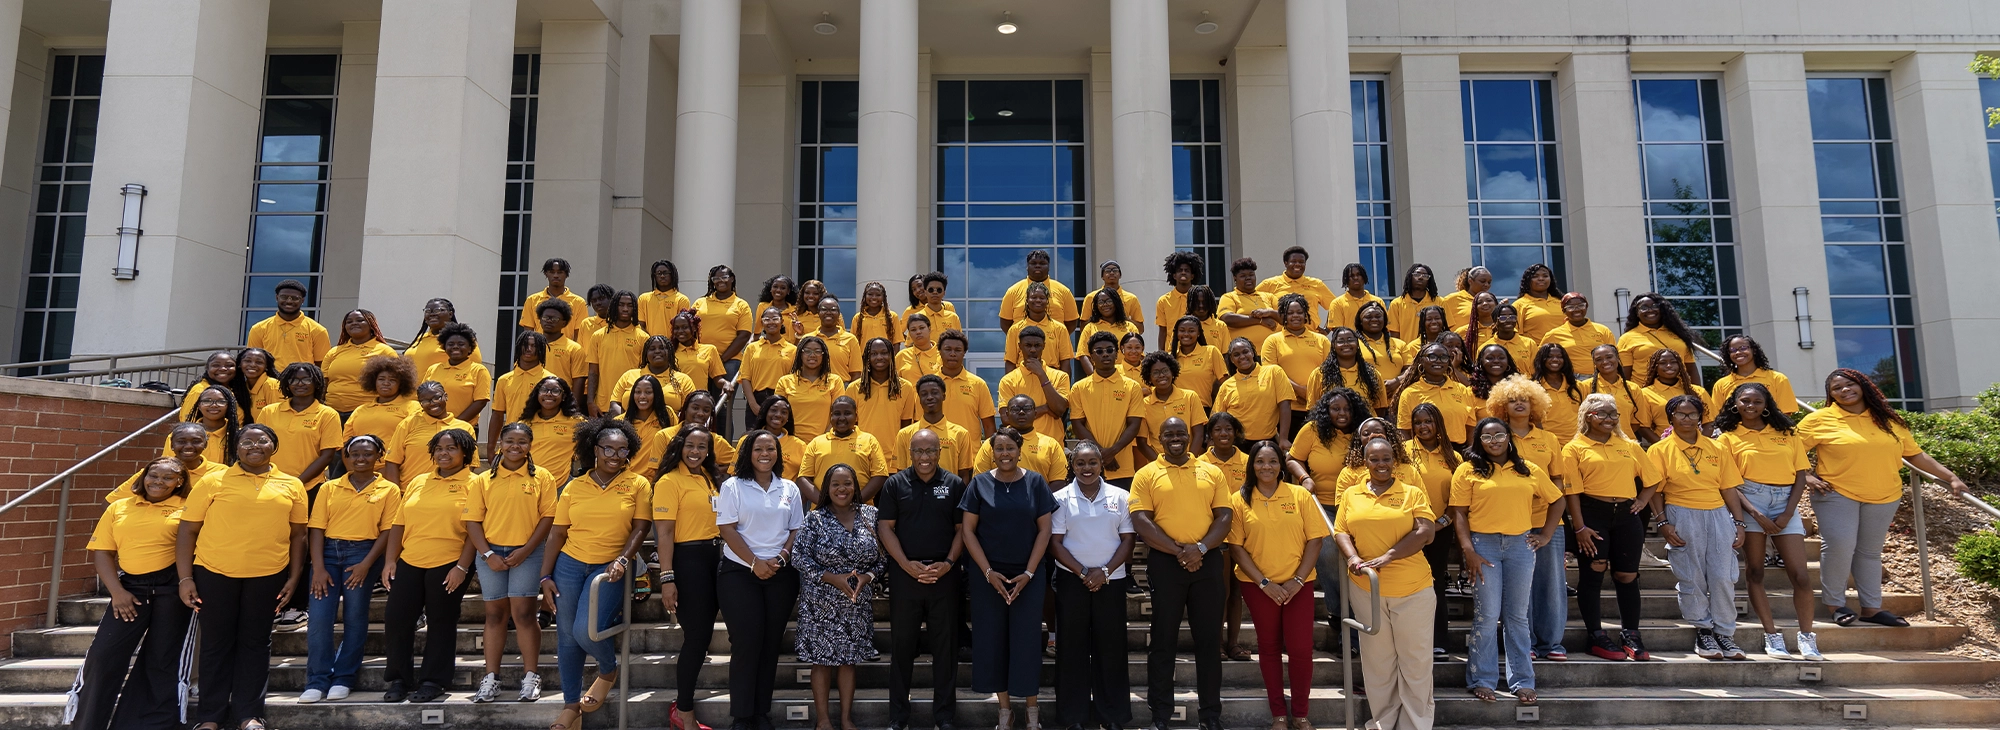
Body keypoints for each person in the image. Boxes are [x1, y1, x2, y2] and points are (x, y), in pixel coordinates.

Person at [1799, 368, 1970, 628]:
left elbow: (1915, 455)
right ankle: (1835, 605)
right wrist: (1806, 476)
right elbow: (1791, 451)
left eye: (1850, 384)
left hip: (1885, 494)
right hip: (1836, 492)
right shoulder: (1819, 419)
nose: (1845, 390)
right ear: (1830, 394)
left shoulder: (1888, 419)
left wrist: (1951, 477)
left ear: (1863, 385)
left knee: (1869, 553)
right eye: (1837, 388)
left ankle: (1871, 608)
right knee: (1839, 546)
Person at [176, 424, 310, 730]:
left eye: (262, 440)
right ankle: (209, 717)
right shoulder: (213, 480)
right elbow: (188, 529)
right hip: (214, 572)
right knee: (215, 644)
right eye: (247, 441)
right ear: (236, 448)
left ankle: (249, 714)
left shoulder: (292, 484)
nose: (255, 446)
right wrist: (185, 578)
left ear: (274, 446)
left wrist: (294, 577)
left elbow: (298, 535)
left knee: (256, 643)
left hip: (268, 575)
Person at [69, 458, 197, 730]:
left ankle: (145, 725)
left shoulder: (188, 507)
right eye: (153, 475)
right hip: (130, 588)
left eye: (168, 477)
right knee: (103, 654)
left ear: (180, 482)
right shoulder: (119, 507)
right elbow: (103, 552)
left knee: (161, 659)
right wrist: (117, 592)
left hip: (172, 587)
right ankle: (88, 724)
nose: (158, 482)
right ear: (143, 476)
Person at [542, 419, 653, 730]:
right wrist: (545, 576)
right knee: (567, 637)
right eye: (608, 449)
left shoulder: (638, 483)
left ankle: (607, 669)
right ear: (595, 449)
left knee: (586, 631)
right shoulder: (574, 486)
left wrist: (622, 559)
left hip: (610, 567)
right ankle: (570, 707)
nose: (615, 455)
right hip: (569, 564)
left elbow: (641, 527)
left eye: (622, 450)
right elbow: (557, 533)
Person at [1451, 418, 1563, 704]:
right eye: (1487, 437)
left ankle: (1523, 680)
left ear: (1508, 437)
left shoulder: (1529, 469)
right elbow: (1459, 513)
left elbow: (1557, 500)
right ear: (1479, 441)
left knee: (1517, 616)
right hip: (1483, 545)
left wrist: (1546, 535)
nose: (1494, 441)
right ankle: (1482, 679)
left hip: (1520, 546)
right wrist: (1468, 550)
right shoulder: (1467, 470)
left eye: (1499, 435)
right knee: (1487, 614)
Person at [1130, 418, 1232, 730]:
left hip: (1207, 561)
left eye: (1180, 433)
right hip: (1166, 563)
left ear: (1189, 437)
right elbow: (1141, 520)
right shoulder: (1146, 474)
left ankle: (1210, 716)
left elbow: (1224, 516)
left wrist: (1199, 549)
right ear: (1159, 438)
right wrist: (1181, 552)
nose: (1175, 438)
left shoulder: (1211, 471)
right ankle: (1160, 716)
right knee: (1162, 641)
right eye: (1168, 434)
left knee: (1209, 641)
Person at [1333, 435, 1439, 730]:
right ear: (1365, 462)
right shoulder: (1352, 494)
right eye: (1374, 459)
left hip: (1413, 589)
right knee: (1378, 663)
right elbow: (1341, 531)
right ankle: (1383, 723)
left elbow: (1426, 531)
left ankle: (1415, 725)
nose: (1381, 464)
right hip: (1367, 589)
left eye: (1386, 458)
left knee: (1415, 662)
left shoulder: (1411, 492)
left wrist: (1388, 556)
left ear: (1395, 461)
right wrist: (1353, 557)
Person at [1229, 440, 1333, 730]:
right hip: (1258, 586)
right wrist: (1265, 583)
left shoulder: (1299, 495)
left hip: (1298, 585)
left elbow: (1315, 540)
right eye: (1260, 461)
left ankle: (1300, 714)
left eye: (1273, 461)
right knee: (1269, 648)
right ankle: (1278, 714)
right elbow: (1236, 548)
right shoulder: (1239, 499)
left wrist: (1297, 580)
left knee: (1300, 649)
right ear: (1251, 466)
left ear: (1281, 465)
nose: (1267, 467)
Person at [960, 427, 1058, 730]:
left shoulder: (1036, 482)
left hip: (1028, 575)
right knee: (992, 641)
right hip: (988, 576)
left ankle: (1031, 709)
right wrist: (988, 573)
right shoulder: (978, 484)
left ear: (1019, 450)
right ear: (992, 453)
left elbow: (1045, 529)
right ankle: (1005, 711)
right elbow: (968, 531)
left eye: (1010, 448)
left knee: (1026, 641)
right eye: (999, 449)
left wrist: (1029, 573)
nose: (1005, 454)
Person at [1716, 383, 1822, 660]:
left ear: (1767, 405)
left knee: (1800, 575)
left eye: (1757, 401)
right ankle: (1772, 636)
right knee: (1755, 572)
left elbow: (1800, 474)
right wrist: (1755, 513)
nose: (1750, 406)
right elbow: (1728, 482)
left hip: (1785, 500)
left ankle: (1807, 637)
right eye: (1745, 401)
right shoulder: (1727, 437)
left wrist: (1788, 512)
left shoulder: (1787, 432)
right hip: (1749, 499)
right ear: (1735, 403)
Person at [878, 428, 968, 730]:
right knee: (902, 649)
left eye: (930, 451)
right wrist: (905, 565)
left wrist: (948, 563)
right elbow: (885, 527)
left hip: (945, 577)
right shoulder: (894, 484)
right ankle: (898, 717)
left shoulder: (954, 484)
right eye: (918, 451)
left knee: (945, 650)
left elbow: (962, 530)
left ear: (940, 452)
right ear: (910, 453)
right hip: (906, 577)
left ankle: (944, 717)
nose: (924, 457)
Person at [1562, 393, 1663, 661]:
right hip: (1592, 514)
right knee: (1593, 573)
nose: (1609, 418)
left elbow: (1653, 478)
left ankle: (1631, 634)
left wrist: (1642, 500)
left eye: (1613, 414)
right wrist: (1579, 528)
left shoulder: (1629, 445)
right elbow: (1571, 493)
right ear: (1588, 416)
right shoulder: (1574, 448)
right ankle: (1595, 635)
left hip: (1627, 516)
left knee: (1627, 576)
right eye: (1602, 413)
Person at [716, 430, 806, 730]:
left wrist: (782, 557)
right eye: (758, 449)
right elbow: (727, 529)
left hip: (781, 573)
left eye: (771, 449)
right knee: (746, 641)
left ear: (778, 453)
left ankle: (760, 712)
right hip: (740, 573)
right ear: (747, 453)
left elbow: (796, 529)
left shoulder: (789, 488)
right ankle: (742, 716)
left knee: (770, 643)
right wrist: (754, 563)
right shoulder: (733, 486)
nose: (765, 454)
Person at [1648, 394, 1750, 659]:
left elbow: (1728, 488)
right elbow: (1655, 490)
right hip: (1681, 512)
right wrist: (1663, 522)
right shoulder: (1659, 450)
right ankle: (1703, 630)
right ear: (1671, 417)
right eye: (1681, 414)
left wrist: (1739, 522)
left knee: (1723, 576)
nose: (1687, 419)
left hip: (1717, 514)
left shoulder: (1717, 448)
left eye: (1693, 414)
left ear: (1701, 418)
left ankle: (1725, 633)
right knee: (1691, 575)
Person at [466, 423, 561, 703]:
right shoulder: (483, 479)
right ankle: (490, 678)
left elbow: (548, 518)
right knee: (495, 615)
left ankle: (531, 677)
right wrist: (487, 555)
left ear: (530, 445)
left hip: (528, 553)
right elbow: (472, 521)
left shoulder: (542, 477)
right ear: (500, 443)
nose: (515, 446)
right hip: (490, 553)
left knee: (524, 615)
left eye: (522, 441)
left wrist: (525, 550)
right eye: (509, 441)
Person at [380, 428, 475, 703]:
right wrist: (390, 560)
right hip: (410, 559)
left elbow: (475, 530)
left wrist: (462, 568)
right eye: (439, 448)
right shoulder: (418, 481)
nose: (444, 453)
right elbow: (399, 523)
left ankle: (434, 681)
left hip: (449, 562)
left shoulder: (476, 483)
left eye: (451, 448)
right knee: (397, 619)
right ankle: (399, 679)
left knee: (441, 621)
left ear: (465, 453)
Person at [301, 436, 399, 703]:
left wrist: (367, 564)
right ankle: (317, 680)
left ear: (378, 456)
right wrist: (318, 567)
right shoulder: (330, 487)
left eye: (367, 454)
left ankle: (343, 677)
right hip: (327, 554)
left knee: (355, 617)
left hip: (363, 554)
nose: (360, 459)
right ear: (346, 457)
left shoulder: (389, 489)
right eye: (354, 454)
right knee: (319, 619)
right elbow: (317, 528)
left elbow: (388, 530)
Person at [1049, 441, 1135, 730]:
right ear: (1072, 467)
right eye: (1080, 463)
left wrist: (1105, 572)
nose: (1087, 468)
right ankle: (1072, 717)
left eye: (1092, 462)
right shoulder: (1060, 498)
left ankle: (1111, 715)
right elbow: (1055, 542)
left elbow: (1128, 539)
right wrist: (1084, 572)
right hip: (1072, 581)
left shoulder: (1121, 496)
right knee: (1071, 649)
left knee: (1111, 648)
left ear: (1101, 464)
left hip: (1112, 581)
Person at [794, 464, 885, 730]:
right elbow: (798, 557)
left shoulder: (871, 516)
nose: (841, 489)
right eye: (835, 484)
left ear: (855, 486)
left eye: (847, 483)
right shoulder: (815, 518)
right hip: (820, 601)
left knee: (848, 661)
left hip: (855, 602)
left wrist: (868, 577)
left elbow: (883, 558)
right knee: (821, 662)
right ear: (827, 488)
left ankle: (846, 719)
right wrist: (831, 578)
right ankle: (823, 720)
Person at [1486, 374, 1571, 661]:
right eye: (1512, 400)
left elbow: (1558, 481)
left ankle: (1552, 643)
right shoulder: (1498, 438)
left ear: (1535, 404)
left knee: (1551, 584)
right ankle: (1527, 643)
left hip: (1548, 521)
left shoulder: (1549, 439)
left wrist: (1547, 526)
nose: (1519, 404)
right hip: (1512, 521)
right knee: (1520, 587)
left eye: (1524, 399)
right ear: (1502, 405)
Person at [652, 425, 725, 730]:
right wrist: (667, 578)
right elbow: (664, 533)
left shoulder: (709, 478)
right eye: (690, 446)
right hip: (687, 560)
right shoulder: (669, 481)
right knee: (696, 638)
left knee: (704, 636)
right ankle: (683, 712)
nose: (696, 452)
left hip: (715, 557)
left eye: (702, 447)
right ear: (679, 447)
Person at [1405, 403, 1459, 652]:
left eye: (1428, 421)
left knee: (1435, 583)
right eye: (1418, 422)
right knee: (1409, 584)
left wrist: (1440, 524)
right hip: (1408, 530)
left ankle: (1438, 642)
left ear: (1438, 424)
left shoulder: (1453, 456)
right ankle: (1412, 642)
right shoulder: (1403, 452)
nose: (1423, 426)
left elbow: (1458, 499)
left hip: (1440, 529)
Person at [1071, 333, 1146, 487]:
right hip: (1090, 467)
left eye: (1110, 350)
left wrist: (1112, 452)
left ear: (1117, 354)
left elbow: (1134, 424)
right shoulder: (1079, 388)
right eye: (1099, 351)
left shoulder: (1132, 386)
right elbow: (1077, 424)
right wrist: (1100, 454)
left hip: (1122, 466)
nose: (1105, 354)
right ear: (1092, 356)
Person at [749, 335, 845, 441]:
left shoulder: (835, 381)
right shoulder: (785, 381)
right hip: (791, 442)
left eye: (817, 351)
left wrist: (822, 440)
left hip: (823, 442)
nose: (812, 355)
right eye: (807, 351)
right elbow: (778, 413)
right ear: (800, 354)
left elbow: (838, 414)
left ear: (823, 355)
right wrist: (792, 441)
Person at [798, 396, 892, 504]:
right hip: (822, 510)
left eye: (847, 413)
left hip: (859, 509)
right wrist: (824, 504)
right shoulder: (816, 443)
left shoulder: (869, 441)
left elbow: (880, 475)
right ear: (831, 416)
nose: (842, 418)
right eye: (837, 414)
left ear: (856, 416)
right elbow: (803, 477)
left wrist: (856, 502)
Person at [382, 382, 476, 486]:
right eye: (425, 401)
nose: (432, 403)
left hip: (450, 491)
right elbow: (392, 461)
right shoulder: (408, 424)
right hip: (411, 491)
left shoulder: (465, 428)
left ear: (445, 396)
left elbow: (470, 464)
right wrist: (397, 493)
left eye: (436, 398)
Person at [1214, 337, 1294, 447]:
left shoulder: (1274, 372)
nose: (1242, 357)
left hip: (1268, 442)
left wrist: (1283, 438)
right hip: (1237, 444)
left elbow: (1285, 404)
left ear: (1252, 352)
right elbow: (1217, 418)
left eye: (1245, 352)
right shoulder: (1226, 386)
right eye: (1236, 355)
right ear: (1232, 360)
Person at [896, 375, 978, 481]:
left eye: (934, 392)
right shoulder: (904, 434)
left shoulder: (961, 434)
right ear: (919, 399)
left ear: (944, 396)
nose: (929, 397)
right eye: (924, 394)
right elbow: (901, 475)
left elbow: (964, 475)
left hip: (947, 491)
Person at [997, 326, 1073, 439]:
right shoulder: (1008, 380)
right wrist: (1045, 408)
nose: (1033, 350)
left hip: (1052, 444)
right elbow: (1006, 418)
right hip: (1019, 444)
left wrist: (1041, 374)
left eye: (1037, 345)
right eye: (1028, 345)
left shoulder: (1060, 376)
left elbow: (1060, 409)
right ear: (1020, 347)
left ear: (1044, 346)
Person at [1395, 344, 1476, 449]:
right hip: (1425, 451)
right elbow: (1404, 431)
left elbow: (1470, 427)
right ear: (1421, 361)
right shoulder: (1410, 393)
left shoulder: (1462, 389)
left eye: (1443, 357)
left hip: (1458, 450)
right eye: (1432, 356)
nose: (1438, 361)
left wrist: (1471, 451)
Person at [321, 309, 399, 415]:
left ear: (371, 324)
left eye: (359, 320)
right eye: (349, 322)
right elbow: (324, 382)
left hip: (368, 412)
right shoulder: (334, 352)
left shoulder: (385, 351)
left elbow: (395, 383)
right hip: (332, 411)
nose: (354, 323)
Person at [1259, 294, 1328, 412]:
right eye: (1290, 313)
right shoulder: (1272, 341)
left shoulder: (1322, 340)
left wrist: (1313, 395)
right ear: (1283, 316)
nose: (1295, 315)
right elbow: (1272, 374)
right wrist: (1300, 391)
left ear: (1305, 315)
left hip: (1318, 406)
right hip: (1286, 407)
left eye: (1299, 312)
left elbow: (1329, 371)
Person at [128, 423, 228, 504]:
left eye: (196, 441)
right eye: (181, 441)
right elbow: (119, 499)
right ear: (172, 445)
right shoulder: (152, 473)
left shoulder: (221, 472)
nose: (188, 446)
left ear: (205, 444)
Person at [1617, 292, 1701, 386]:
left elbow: (1691, 369)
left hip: (1681, 392)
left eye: (1655, 306)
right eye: (1644, 307)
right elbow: (1624, 375)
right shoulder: (1627, 338)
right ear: (1636, 313)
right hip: (1644, 392)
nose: (1650, 310)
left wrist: (1697, 393)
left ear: (1662, 309)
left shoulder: (1679, 333)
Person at [586, 290, 649, 415]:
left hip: (630, 404)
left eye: (629, 305)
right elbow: (593, 371)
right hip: (602, 405)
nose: (625, 309)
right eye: (621, 305)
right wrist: (590, 402)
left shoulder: (643, 337)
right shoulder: (598, 335)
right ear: (614, 306)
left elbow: (645, 373)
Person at [244, 278, 330, 371]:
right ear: (277, 298)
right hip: (269, 379)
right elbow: (252, 360)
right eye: (284, 297)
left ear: (302, 300)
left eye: (295, 298)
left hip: (301, 379)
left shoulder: (317, 330)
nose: (289, 301)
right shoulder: (259, 329)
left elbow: (322, 365)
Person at [1137, 351, 1205, 462]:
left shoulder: (1190, 397)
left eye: (1165, 371)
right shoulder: (1144, 404)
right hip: (1159, 465)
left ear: (1172, 372)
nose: (1161, 375)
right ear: (1149, 378)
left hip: (1188, 463)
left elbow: (1199, 434)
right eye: (1155, 373)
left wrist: (1189, 460)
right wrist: (1160, 465)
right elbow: (1142, 443)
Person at [1583, 344, 1656, 445]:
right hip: (1596, 444)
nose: (1605, 362)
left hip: (1626, 443)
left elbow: (1636, 423)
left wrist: (1618, 435)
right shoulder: (1585, 387)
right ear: (1594, 363)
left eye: (1609, 357)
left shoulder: (1633, 388)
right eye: (1599, 359)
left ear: (1617, 358)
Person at [421, 322, 492, 425]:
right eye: (450, 344)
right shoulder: (433, 369)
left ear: (470, 348)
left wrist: (454, 424)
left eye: (461, 344)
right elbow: (423, 397)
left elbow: (480, 402)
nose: (455, 347)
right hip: (431, 425)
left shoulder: (479, 370)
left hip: (463, 427)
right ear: (444, 347)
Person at [742, 305, 800, 430]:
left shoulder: (792, 350)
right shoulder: (752, 348)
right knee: (754, 437)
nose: (771, 322)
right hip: (757, 399)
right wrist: (753, 405)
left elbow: (794, 379)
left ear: (782, 321)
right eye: (767, 319)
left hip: (781, 399)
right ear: (762, 322)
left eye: (775, 319)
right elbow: (745, 377)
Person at [1306, 327, 1387, 416]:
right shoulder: (1319, 374)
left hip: (1364, 424)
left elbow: (1380, 408)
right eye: (1340, 341)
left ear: (1357, 344)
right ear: (1333, 346)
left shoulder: (1372, 374)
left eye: (1350, 340)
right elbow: (1313, 409)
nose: (1346, 344)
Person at [851, 338, 916, 447]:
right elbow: (853, 425)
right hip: (864, 451)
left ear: (891, 355)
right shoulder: (854, 388)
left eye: (884, 353)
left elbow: (906, 425)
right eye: (873, 354)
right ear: (867, 358)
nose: (879, 357)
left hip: (894, 453)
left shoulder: (905, 387)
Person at [1713, 335, 1799, 417]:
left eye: (1743, 348)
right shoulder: (1721, 384)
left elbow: (1785, 413)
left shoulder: (1777, 378)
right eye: (1732, 350)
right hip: (1733, 428)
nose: (1738, 352)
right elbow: (1717, 416)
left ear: (1754, 350)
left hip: (1771, 427)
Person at [695, 265, 757, 376]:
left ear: (732, 279)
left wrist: (721, 359)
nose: (720, 281)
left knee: (725, 388)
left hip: (729, 360)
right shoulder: (700, 302)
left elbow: (744, 335)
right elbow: (691, 329)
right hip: (702, 359)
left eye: (724, 277)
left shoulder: (741, 305)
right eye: (716, 279)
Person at [1257, 246, 1335, 332]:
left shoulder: (1316, 284)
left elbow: (1335, 307)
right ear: (1286, 263)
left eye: (1301, 262)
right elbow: (1251, 302)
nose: (1298, 264)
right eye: (1293, 261)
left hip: (1311, 336)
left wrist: (1328, 328)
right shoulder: (1269, 284)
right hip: (1280, 336)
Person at [934, 329, 995, 439]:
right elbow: (919, 423)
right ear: (939, 352)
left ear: (964, 353)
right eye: (948, 349)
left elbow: (988, 426)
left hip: (971, 449)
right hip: (937, 448)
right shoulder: (930, 384)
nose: (952, 354)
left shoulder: (978, 384)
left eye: (958, 350)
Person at [1001, 249, 1080, 333]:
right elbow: (1005, 322)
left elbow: (1071, 322)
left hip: (1054, 340)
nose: (1037, 266)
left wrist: (1057, 337)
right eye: (1033, 263)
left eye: (1042, 263)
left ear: (1048, 267)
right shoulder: (1012, 291)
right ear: (1027, 266)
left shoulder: (1063, 291)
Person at [520, 376, 585, 478]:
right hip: (528, 482)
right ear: (537, 394)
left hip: (560, 483)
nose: (549, 394)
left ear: (564, 396)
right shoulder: (524, 424)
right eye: (544, 390)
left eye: (555, 391)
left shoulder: (576, 422)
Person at [403, 298, 486, 377]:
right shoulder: (421, 338)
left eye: (438, 310)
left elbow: (473, 369)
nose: (432, 314)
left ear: (450, 314)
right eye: (428, 311)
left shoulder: (462, 340)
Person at [1538, 293, 1616, 375]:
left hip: (1601, 377)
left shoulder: (1603, 330)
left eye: (1581, 306)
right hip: (1571, 378)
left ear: (1586, 307)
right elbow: (1540, 360)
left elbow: (1615, 356)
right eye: (1570, 307)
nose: (1576, 310)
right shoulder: (1553, 335)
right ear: (1563, 311)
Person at [347, 355, 418, 445]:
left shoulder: (412, 407)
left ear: (401, 384)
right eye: (381, 379)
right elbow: (346, 442)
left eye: (392, 380)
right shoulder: (360, 410)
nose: (386, 383)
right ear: (374, 381)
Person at [1004, 282, 1075, 372]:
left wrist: (1063, 380)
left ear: (1047, 301)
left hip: (1051, 375)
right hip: (1023, 375)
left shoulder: (1060, 328)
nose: (1038, 300)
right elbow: (1010, 362)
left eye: (1042, 298)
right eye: (1034, 297)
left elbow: (1065, 361)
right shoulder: (1014, 330)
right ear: (1027, 301)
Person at [519, 257, 591, 343]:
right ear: (546, 274)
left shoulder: (578, 302)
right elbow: (528, 331)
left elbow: (579, 334)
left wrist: (573, 350)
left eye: (560, 272)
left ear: (566, 275)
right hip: (541, 348)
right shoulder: (532, 300)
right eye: (552, 272)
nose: (556, 275)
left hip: (567, 349)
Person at [1220, 257, 1280, 349]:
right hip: (1242, 353)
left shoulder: (1269, 296)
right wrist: (1259, 321)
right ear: (1235, 278)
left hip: (1270, 351)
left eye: (1251, 275)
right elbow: (1227, 318)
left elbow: (1285, 317)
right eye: (1243, 276)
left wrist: (1269, 312)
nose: (1248, 278)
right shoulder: (1229, 297)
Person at [179, 351, 255, 424]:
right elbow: (187, 422)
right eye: (216, 365)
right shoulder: (200, 390)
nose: (223, 368)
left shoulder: (234, 390)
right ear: (207, 368)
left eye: (229, 365)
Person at [1171, 315, 1230, 408]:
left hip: (1204, 409)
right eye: (1182, 330)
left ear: (1198, 333)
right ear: (1177, 333)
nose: (1186, 334)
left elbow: (1225, 383)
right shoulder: (1170, 358)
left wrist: (1217, 408)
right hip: (1176, 410)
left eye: (1191, 331)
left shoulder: (1211, 352)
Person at [1529, 343, 1584, 443]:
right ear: (1542, 359)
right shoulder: (1532, 387)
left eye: (1559, 357)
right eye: (1550, 356)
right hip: (1547, 443)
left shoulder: (1578, 386)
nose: (1555, 359)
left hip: (1576, 443)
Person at [537, 299, 591, 395]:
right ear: (540, 320)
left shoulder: (575, 349)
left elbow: (578, 382)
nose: (549, 321)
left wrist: (573, 404)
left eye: (554, 319)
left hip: (561, 400)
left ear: (564, 323)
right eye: (545, 317)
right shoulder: (531, 346)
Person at [171, 387, 238, 466]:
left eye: (221, 401)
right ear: (199, 405)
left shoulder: (238, 436)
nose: (214, 405)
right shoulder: (179, 435)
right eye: (207, 401)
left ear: (228, 405)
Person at [673, 310, 729, 396]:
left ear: (694, 328)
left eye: (685, 327)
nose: (680, 331)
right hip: (678, 400)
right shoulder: (670, 352)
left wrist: (725, 383)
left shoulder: (710, 350)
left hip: (700, 400)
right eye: (676, 328)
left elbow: (717, 379)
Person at [1077, 288, 1142, 360]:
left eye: (1109, 301)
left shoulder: (1130, 327)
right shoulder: (1089, 327)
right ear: (1097, 306)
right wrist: (1092, 368)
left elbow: (1139, 353)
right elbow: (1083, 355)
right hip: (1097, 367)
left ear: (1116, 303)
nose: (1105, 304)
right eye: (1101, 302)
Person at [811, 294, 864, 382]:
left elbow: (856, 374)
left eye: (833, 310)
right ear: (818, 313)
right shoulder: (808, 339)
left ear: (839, 314)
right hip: (814, 387)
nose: (828, 312)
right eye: (824, 309)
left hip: (843, 387)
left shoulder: (850, 339)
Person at [1156, 251, 1204, 345]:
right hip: (1172, 350)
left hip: (1197, 348)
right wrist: (1161, 352)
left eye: (1187, 270)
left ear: (1192, 276)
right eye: (1180, 270)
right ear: (1174, 275)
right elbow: (1162, 331)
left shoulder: (1200, 298)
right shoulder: (1163, 301)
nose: (1183, 272)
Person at [1327, 263, 1387, 337]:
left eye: (1359, 275)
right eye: (1351, 276)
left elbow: (1384, 327)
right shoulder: (1337, 303)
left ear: (1364, 277)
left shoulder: (1378, 301)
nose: (1355, 278)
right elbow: (1338, 332)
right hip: (1351, 343)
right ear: (1346, 279)